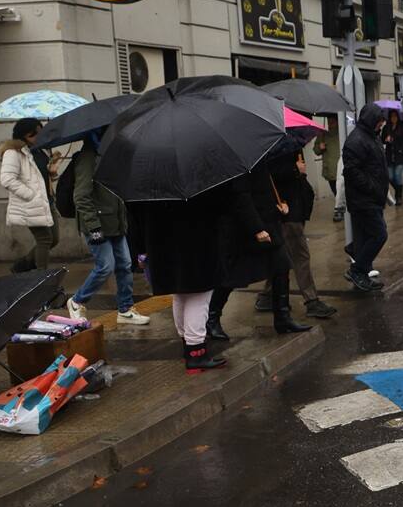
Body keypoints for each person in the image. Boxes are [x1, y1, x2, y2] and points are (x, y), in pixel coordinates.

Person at [206, 164, 312, 339]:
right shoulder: (240, 163)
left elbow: (266, 188)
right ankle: (211, 319)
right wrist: (257, 228)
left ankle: (282, 318)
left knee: (281, 266)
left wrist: (281, 204)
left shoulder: (258, 158)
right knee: (233, 275)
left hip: (269, 223)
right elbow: (242, 198)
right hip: (245, 229)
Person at [133, 191, 228, 373]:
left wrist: (141, 249)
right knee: (199, 296)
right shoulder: (194, 180)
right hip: (195, 245)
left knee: (181, 294)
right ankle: (196, 351)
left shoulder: (149, 182)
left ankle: (188, 344)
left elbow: (137, 215)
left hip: (162, 246)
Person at [65, 130, 150, 325]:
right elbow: (81, 197)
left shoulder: (109, 157)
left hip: (116, 223)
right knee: (105, 267)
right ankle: (77, 301)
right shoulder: (87, 159)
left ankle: (125, 309)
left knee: (125, 265)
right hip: (98, 224)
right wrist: (94, 226)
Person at [254, 149, 336, 319]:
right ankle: (311, 300)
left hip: (294, 209)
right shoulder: (274, 146)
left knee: (284, 256)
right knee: (300, 256)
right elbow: (269, 174)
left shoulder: (288, 143)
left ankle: (267, 296)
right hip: (286, 210)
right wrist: (294, 168)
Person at [0, 118, 59, 272]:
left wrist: (52, 172)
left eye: (40, 133)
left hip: (47, 201)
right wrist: (30, 195)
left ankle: (22, 265)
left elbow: (40, 177)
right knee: (44, 239)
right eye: (34, 134)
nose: (38, 137)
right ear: (23, 136)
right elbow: (7, 179)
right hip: (31, 203)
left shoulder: (40, 150)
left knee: (54, 239)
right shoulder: (14, 152)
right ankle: (40, 277)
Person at [343, 103, 390, 292]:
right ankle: (357, 269)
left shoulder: (371, 137)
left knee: (369, 234)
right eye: (379, 122)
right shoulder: (356, 141)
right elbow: (352, 171)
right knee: (379, 234)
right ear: (372, 121)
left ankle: (357, 257)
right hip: (363, 199)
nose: (381, 125)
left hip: (372, 197)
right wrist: (373, 187)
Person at [313, 116, 344, 222]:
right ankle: (340, 209)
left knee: (340, 191)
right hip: (329, 169)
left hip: (340, 168)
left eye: (332, 121)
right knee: (336, 191)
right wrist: (319, 147)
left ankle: (339, 210)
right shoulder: (322, 134)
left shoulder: (342, 132)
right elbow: (316, 150)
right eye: (329, 121)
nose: (330, 123)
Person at [381, 109, 403, 205]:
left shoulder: (402, 128)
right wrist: (386, 139)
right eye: (392, 116)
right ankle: (398, 191)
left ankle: (399, 197)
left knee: (397, 175)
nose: (393, 118)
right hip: (389, 156)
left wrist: (399, 146)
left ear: (397, 117)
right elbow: (382, 141)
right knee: (389, 176)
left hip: (400, 156)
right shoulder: (386, 128)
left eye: (395, 116)